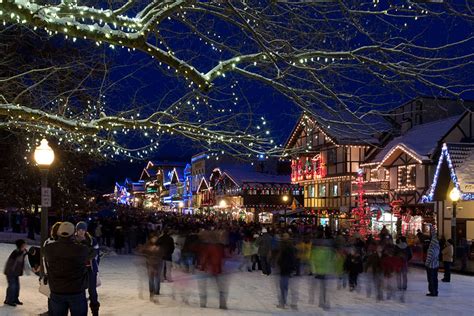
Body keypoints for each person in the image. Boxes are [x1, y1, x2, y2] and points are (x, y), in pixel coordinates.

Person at [44, 221, 93, 316]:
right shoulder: (81, 249)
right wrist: (83, 240)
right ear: (73, 233)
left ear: (59, 233)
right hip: (76, 291)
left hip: (56, 290)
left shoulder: (49, 248)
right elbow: (91, 253)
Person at [76, 221, 101, 316]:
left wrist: (94, 265)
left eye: (83, 230)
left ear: (86, 230)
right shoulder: (73, 240)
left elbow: (96, 253)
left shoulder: (91, 240)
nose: (81, 232)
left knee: (92, 291)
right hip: (78, 269)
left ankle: (95, 311)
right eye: (79, 230)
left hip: (90, 268)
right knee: (79, 290)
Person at [276, 233, 298, 310]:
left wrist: (279, 263)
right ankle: (285, 302)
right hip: (287, 269)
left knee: (283, 287)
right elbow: (293, 258)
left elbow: (281, 259)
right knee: (285, 286)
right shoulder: (291, 248)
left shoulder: (285, 248)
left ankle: (284, 303)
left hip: (285, 269)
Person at [4, 239, 27, 307]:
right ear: (21, 245)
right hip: (10, 272)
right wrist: (11, 271)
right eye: (24, 244)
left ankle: (15, 299)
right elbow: (11, 263)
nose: (26, 246)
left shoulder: (22, 252)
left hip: (15, 273)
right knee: (12, 286)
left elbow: (23, 263)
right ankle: (9, 300)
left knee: (17, 287)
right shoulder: (16, 252)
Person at [425, 226, 440, 297]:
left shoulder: (431, 249)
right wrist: (433, 231)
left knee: (430, 279)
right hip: (436, 265)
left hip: (430, 266)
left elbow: (429, 258)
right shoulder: (437, 247)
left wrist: (426, 264)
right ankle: (435, 291)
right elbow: (434, 235)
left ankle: (432, 291)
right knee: (435, 279)